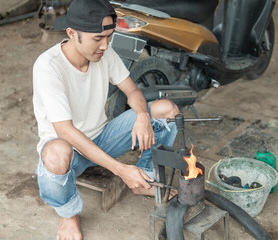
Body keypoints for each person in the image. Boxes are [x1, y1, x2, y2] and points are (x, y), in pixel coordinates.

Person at [32, 0, 180, 239]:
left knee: (167, 109)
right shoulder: (48, 67)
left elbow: (132, 91)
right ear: (72, 33)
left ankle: (145, 179)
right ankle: (69, 216)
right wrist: (121, 170)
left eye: (109, 37)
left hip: (103, 138)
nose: (105, 45)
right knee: (55, 153)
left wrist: (142, 115)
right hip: (70, 151)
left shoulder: (105, 53)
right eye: (98, 38)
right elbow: (66, 131)